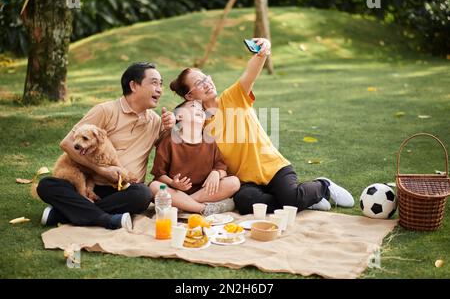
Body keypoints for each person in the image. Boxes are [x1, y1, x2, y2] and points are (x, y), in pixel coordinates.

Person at [168, 38, 355, 215]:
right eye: (199, 83)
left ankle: (323, 186)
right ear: (190, 96)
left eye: (206, 78)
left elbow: (250, 74)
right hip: (246, 181)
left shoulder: (232, 97)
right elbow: (180, 138)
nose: (207, 83)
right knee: (245, 202)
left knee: (291, 198)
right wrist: (169, 122)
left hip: (273, 167)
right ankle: (302, 200)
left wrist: (262, 51)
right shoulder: (198, 123)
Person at [37, 62, 176, 231]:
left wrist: (172, 127)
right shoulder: (105, 110)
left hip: (124, 191)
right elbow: (67, 144)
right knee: (46, 185)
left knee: (143, 195)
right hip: (91, 183)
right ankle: (106, 219)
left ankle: (63, 214)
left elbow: (177, 147)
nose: (160, 89)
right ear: (133, 85)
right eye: (154, 83)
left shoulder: (156, 121)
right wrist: (101, 170)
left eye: (161, 84)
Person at [149, 100, 240, 216]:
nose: (200, 110)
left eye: (202, 110)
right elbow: (159, 175)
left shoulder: (209, 140)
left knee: (234, 182)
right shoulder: (169, 140)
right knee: (154, 187)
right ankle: (203, 208)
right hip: (175, 191)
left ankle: (183, 205)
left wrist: (216, 173)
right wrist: (173, 183)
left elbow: (221, 168)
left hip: (202, 192)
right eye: (193, 106)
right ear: (179, 115)